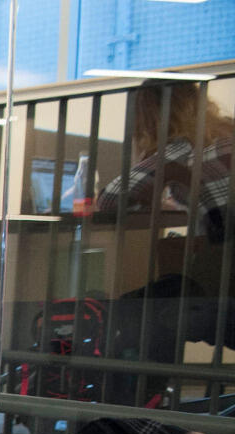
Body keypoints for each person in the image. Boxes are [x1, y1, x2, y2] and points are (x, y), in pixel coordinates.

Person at [93, 82, 234, 401]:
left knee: (135, 311)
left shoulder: (185, 146)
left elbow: (111, 200)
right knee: (169, 290)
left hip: (227, 295)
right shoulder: (228, 134)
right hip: (225, 280)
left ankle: (136, 417)